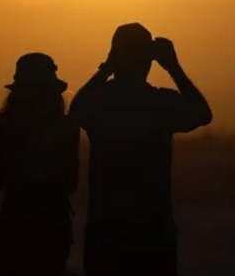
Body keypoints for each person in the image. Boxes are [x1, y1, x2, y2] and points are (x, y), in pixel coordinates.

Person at [70, 23, 212, 276]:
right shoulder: (159, 104)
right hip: (152, 231)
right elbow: (201, 113)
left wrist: (106, 67)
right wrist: (174, 68)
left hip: (107, 229)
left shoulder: (101, 103)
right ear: (148, 62)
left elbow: (77, 109)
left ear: (115, 56)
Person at [0, 53, 79, 276]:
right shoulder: (66, 128)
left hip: (15, 222)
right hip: (54, 223)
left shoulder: (3, 124)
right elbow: (71, 182)